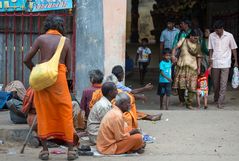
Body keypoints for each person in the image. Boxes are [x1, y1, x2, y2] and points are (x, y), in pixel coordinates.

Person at [24, 15, 77, 160]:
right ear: (61, 27)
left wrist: (36, 70)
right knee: (65, 113)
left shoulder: (41, 39)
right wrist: (63, 84)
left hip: (42, 81)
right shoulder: (65, 41)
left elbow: (26, 59)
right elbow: (68, 68)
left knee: (43, 113)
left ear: (47, 25)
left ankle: (45, 150)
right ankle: (71, 150)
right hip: (59, 79)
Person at [208, 20, 238, 108]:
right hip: (215, 62)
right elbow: (210, 49)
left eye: (218, 30)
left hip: (226, 62)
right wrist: (210, 60)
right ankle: (216, 98)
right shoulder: (211, 36)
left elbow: (233, 49)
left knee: (223, 83)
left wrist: (236, 61)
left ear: (222, 28)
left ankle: (220, 101)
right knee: (215, 83)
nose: (216, 32)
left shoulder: (229, 36)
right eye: (215, 30)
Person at [172, 29, 202, 109]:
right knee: (180, 86)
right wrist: (173, 56)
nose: (196, 40)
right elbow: (175, 48)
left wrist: (199, 67)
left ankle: (189, 103)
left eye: (197, 38)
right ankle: (182, 101)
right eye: (195, 38)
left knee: (192, 86)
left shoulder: (198, 45)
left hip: (193, 68)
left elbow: (199, 57)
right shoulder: (183, 40)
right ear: (191, 36)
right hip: (181, 66)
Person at [201, 28, 212, 93]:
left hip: (210, 59)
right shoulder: (202, 40)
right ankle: (203, 89)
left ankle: (209, 89)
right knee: (203, 74)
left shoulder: (212, 40)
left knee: (210, 74)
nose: (206, 33)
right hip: (203, 59)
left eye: (207, 32)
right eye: (205, 31)